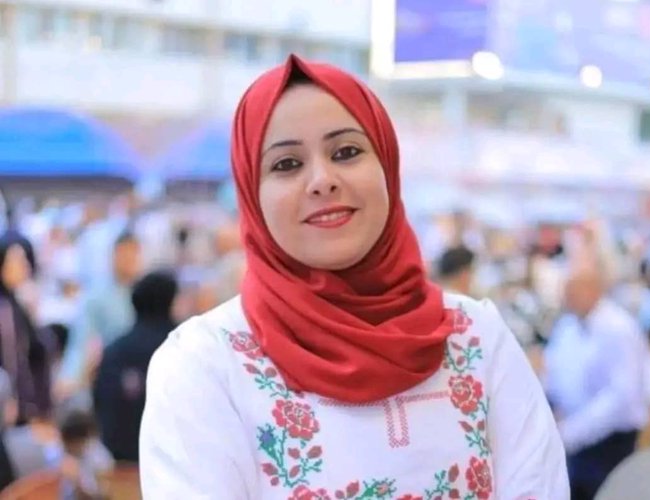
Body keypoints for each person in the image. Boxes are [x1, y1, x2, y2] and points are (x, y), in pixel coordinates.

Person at [140, 55, 568, 499]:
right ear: (252, 192)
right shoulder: (205, 366)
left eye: (346, 152)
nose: (322, 180)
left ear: (387, 165)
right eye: (286, 164)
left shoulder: (477, 339)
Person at [544, 265, 647, 500]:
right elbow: (553, 372)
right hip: (570, 436)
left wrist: (572, 432)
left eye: (573, 289)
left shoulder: (620, 328)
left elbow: (620, 397)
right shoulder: (567, 325)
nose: (566, 296)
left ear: (594, 289)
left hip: (609, 444)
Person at [93, 271, 177, 462]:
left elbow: (99, 404)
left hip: (119, 462)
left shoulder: (114, 350)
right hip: (170, 464)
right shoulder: (182, 347)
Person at [58, 231, 141, 399]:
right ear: (114, 255)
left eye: (134, 254)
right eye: (124, 254)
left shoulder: (144, 293)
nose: (129, 260)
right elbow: (82, 341)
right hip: (107, 377)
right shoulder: (96, 296)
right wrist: (70, 377)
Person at [0, 236, 52, 424]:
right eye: (17, 261)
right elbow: (11, 360)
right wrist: (9, 399)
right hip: (10, 406)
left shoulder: (17, 303)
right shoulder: (4, 309)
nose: (25, 267)